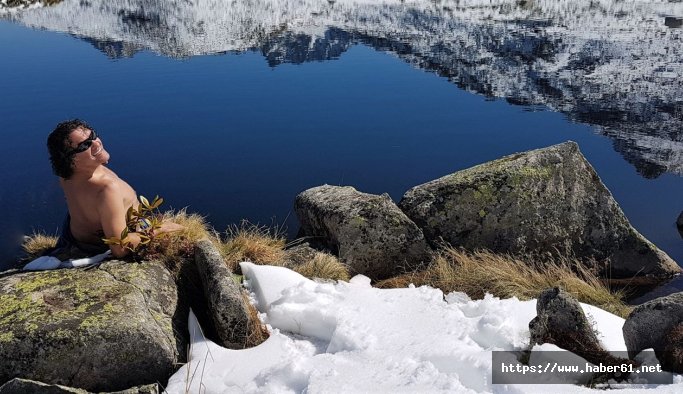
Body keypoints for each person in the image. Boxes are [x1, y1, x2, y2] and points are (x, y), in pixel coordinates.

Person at [47, 119, 182, 259]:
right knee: (184, 229)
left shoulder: (67, 175)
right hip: (104, 243)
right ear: (71, 160)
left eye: (93, 135)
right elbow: (120, 247)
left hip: (73, 237)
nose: (96, 143)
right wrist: (159, 229)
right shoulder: (106, 189)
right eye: (85, 145)